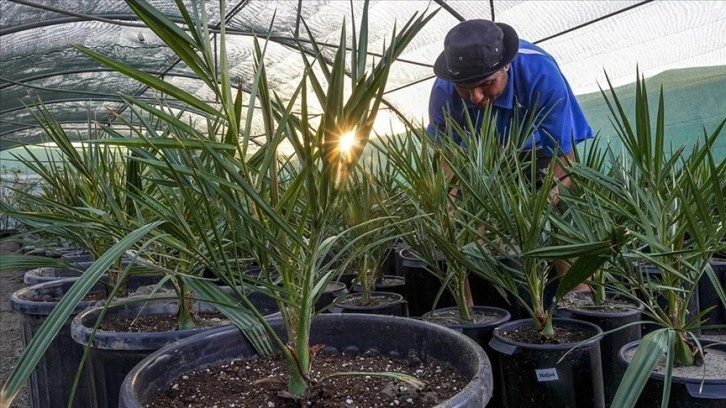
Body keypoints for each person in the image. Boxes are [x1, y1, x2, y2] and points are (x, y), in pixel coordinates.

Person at [428, 19, 594, 304]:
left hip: (538, 149)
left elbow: (565, 162)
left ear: (506, 66)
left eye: (485, 84)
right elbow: (448, 160)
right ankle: (470, 311)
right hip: (480, 155)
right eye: (465, 90)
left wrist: (535, 211)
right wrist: (450, 207)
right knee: (462, 226)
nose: (476, 97)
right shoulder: (444, 91)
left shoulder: (540, 73)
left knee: (563, 217)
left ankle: (577, 296)